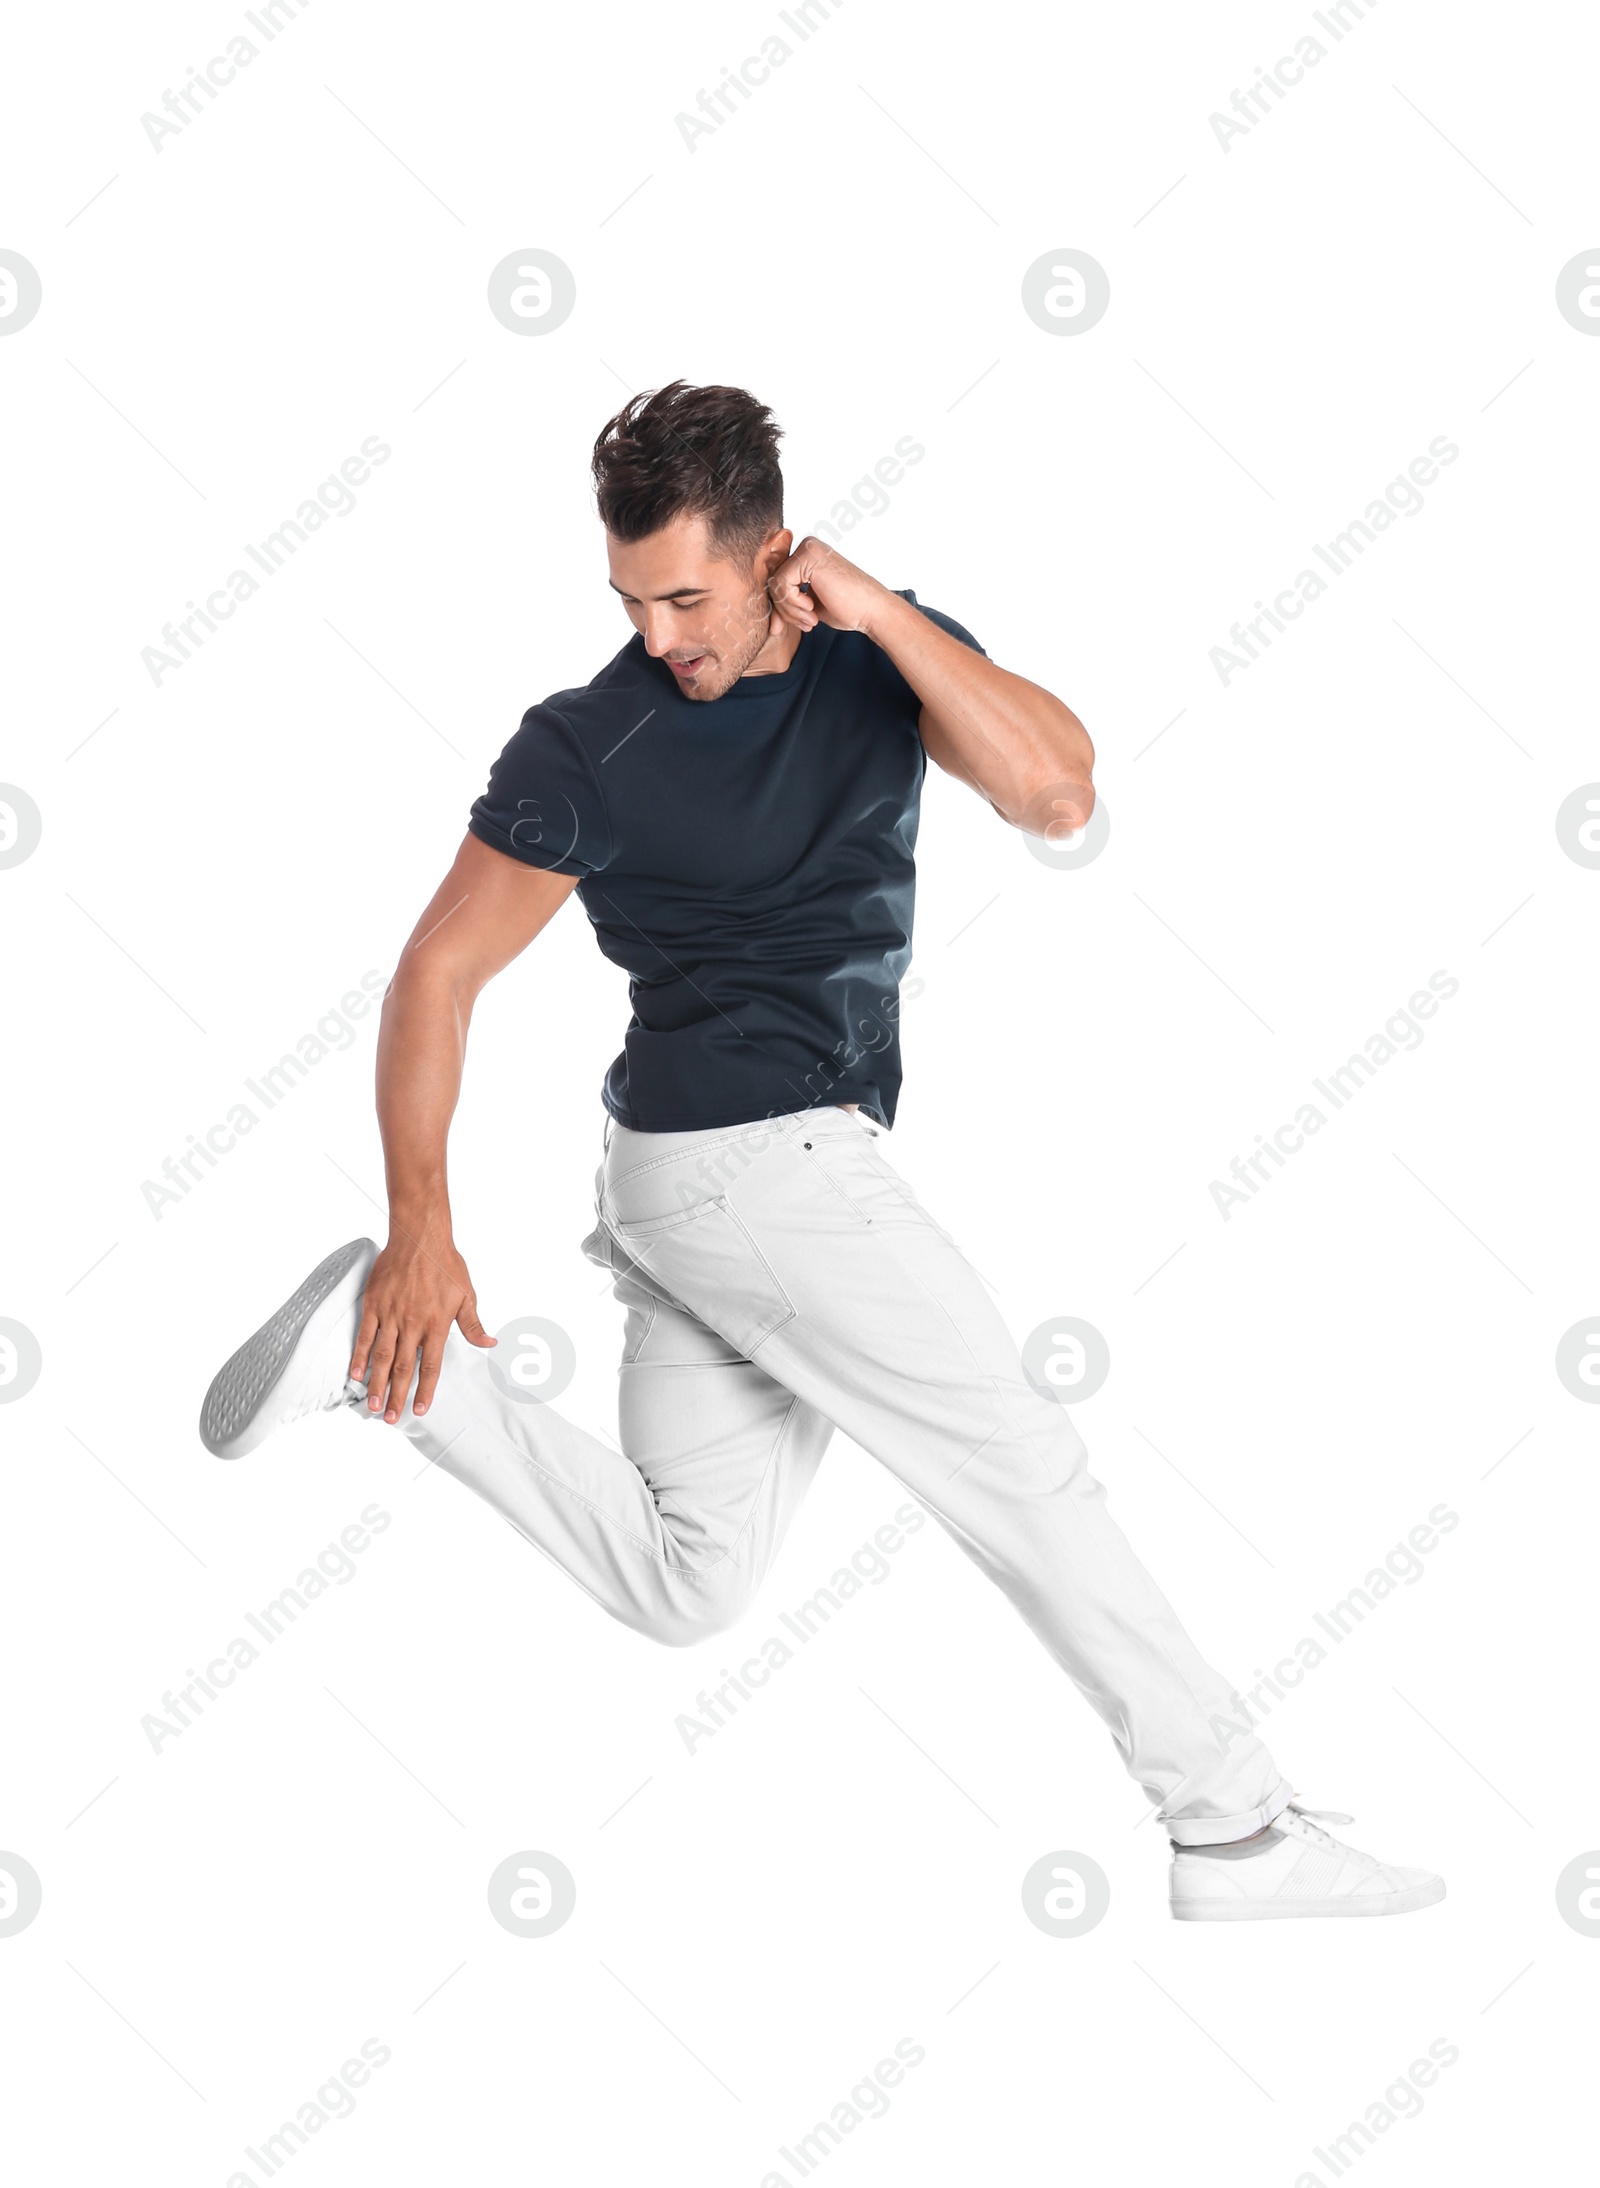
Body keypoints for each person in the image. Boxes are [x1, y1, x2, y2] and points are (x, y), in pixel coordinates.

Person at [201, 381, 1442, 1921]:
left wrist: (877, 614)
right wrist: (420, 1223)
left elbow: (1057, 793)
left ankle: (403, 1377)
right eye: (631, 599)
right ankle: (1236, 1832)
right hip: (752, 1163)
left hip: (701, 1182)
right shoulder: (593, 743)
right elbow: (434, 975)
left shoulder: (872, 651)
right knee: (1025, 1464)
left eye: (686, 595)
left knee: (686, 1580)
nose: (660, 635)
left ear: (774, 552)